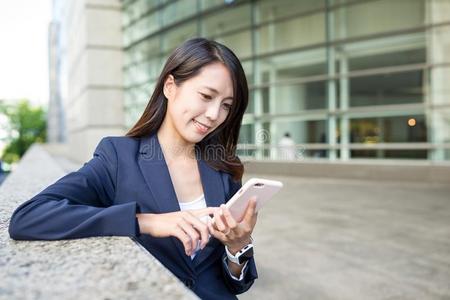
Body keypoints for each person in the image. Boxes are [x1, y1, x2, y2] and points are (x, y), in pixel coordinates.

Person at [8, 38, 258, 299]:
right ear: (170, 86)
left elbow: (236, 284)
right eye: (206, 96)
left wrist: (237, 247)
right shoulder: (119, 157)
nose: (214, 114)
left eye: (226, 105)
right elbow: (28, 217)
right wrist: (145, 222)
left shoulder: (223, 169)